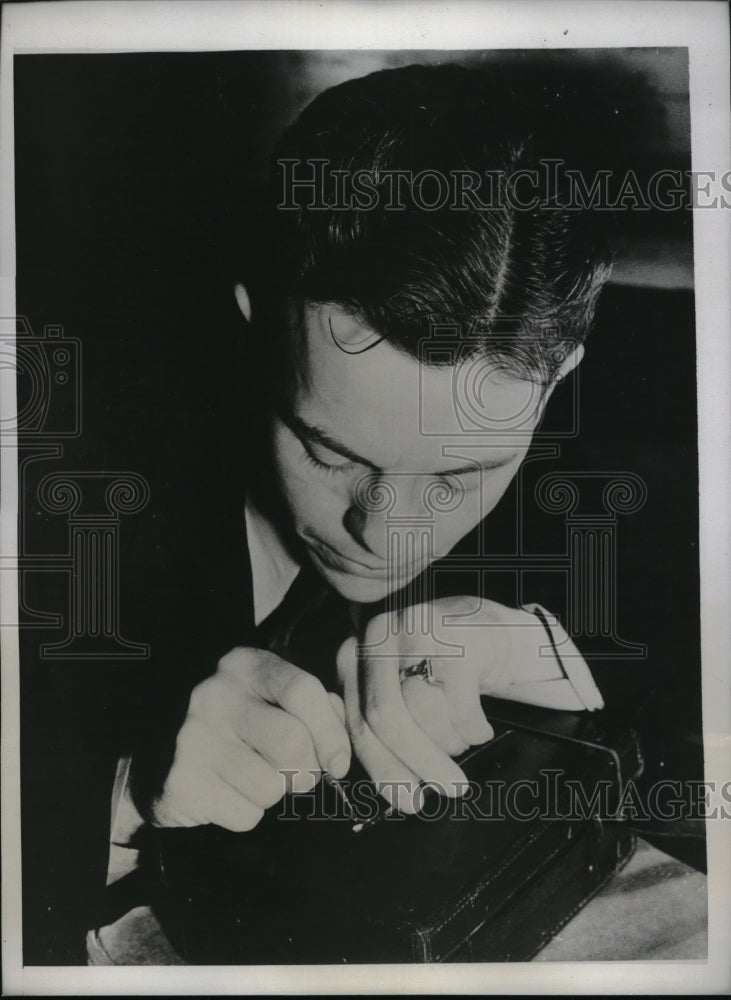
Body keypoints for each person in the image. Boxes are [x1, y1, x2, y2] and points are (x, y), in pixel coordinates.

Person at [116, 63, 609, 845]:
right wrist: (124, 798)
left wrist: (548, 665)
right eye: (329, 452)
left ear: (555, 382)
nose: (382, 535)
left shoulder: (600, 483)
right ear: (258, 327)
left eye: (460, 475)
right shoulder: (75, 509)